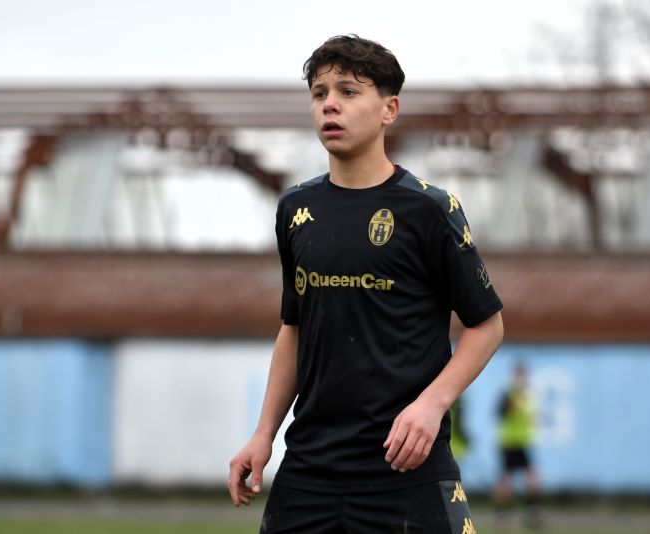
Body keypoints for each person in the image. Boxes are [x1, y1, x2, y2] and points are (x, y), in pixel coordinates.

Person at [228, 34, 504, 533]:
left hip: (408, 470)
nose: (329, 104)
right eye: (319, 93)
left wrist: (431, 404)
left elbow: (487, 326)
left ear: (388, 109)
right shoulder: (295, 209)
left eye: (348, 92)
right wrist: (264, 433)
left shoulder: (429, 209)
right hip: (309, 474)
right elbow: (294, 329)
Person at [493, 363, 543, 530]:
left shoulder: (529, 396)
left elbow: (533, 417)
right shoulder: (509, 394)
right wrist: (510, 405)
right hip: (509, 442)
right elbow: (500, 412)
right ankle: (503, 514)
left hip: (524, 442)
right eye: (519, 375)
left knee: (532, 478)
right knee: (506, 480)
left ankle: (532, 511)